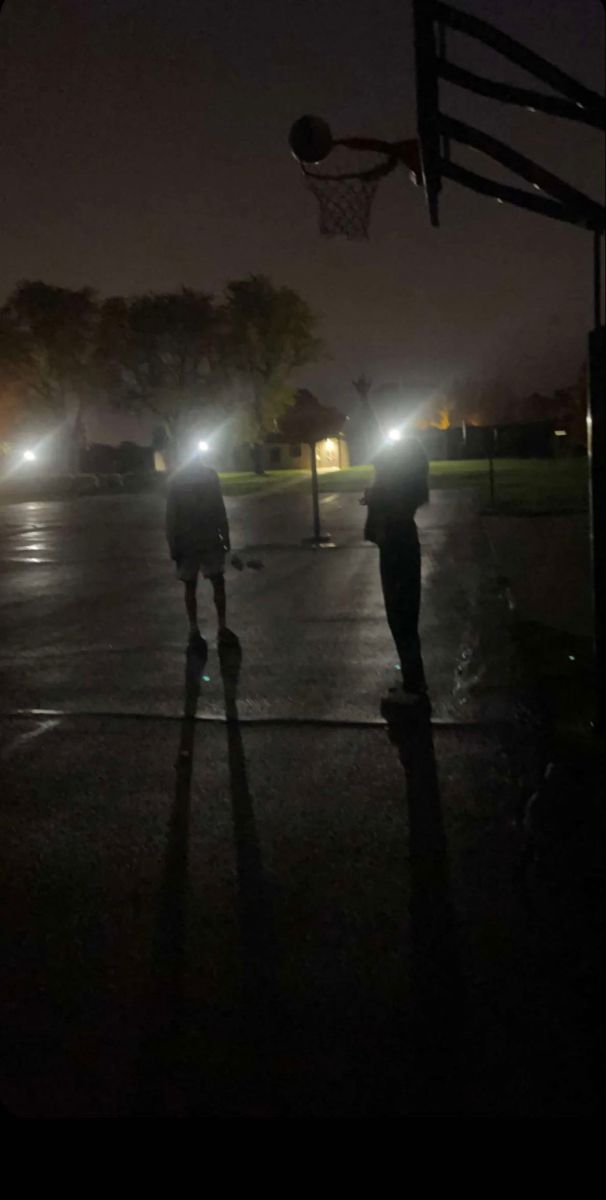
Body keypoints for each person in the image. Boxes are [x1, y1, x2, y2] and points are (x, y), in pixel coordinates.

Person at [363, 436, 429, 705]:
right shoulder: (405, 490)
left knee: (401, 615)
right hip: (402, 545)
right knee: (404, 617)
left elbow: (386, 520)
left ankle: (414, 686)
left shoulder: (395, 494)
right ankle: (413, 681)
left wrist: (375, 500)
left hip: (396, 549)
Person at [166, 456, 242, 653]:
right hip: (209, 538)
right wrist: (225, 539)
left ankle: (193, 628)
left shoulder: (177, 480)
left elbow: (171, 515)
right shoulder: (210, 476)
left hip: (186, 541)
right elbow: (219, 509)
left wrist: (173, 544)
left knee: (190, 586)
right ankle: (222, 626)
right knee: (218, 582)